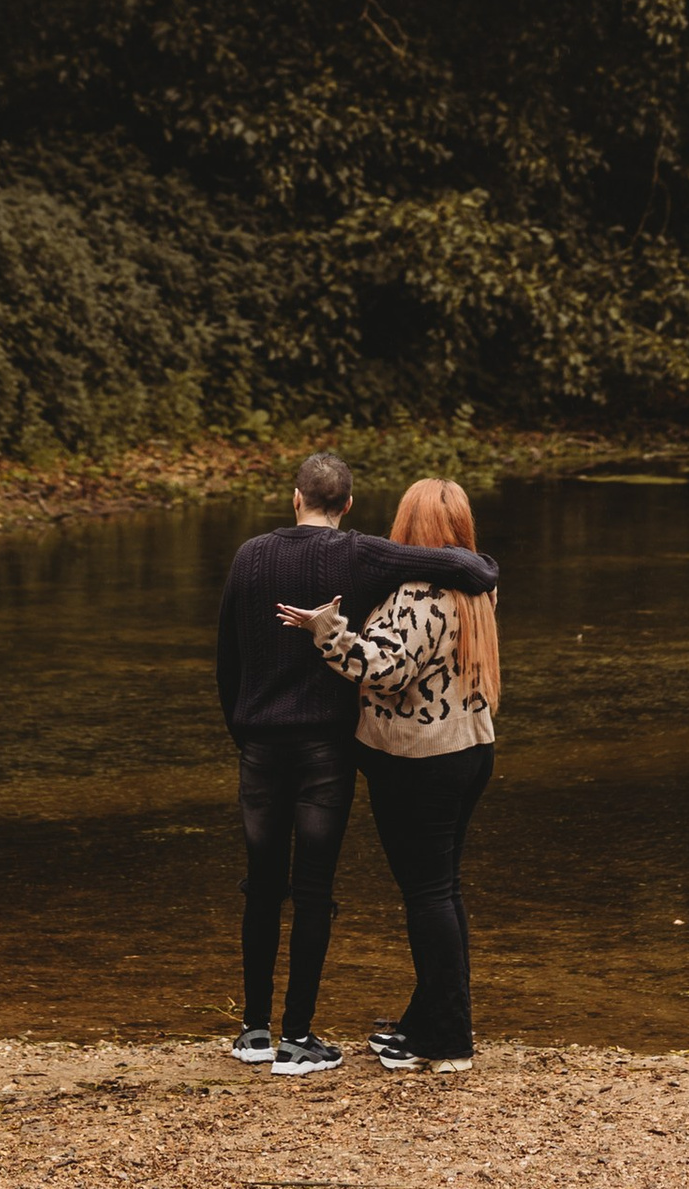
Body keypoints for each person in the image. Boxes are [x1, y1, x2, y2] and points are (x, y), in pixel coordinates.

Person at [215, 447, 501, 1078]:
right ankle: (355, 1031)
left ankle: (261, 1032)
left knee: (277, 886)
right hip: (416, 748)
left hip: (362, 754)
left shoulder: (255, 556)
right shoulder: (426, 575)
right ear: (347, 504)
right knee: (388, 890)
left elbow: (378, 668)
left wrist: (321, 638)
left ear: (295, 497)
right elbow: (460, 572)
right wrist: (483, 564)